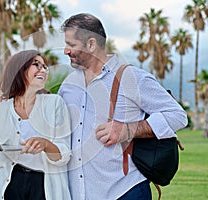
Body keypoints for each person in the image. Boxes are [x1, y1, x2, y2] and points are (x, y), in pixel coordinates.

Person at [58, 13, 188, 199]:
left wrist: (128, 129)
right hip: (79, 193)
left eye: (71, 45)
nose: (65, 51)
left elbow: (177, 115)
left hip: (125, 191)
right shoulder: (69, 84)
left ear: (91, 44)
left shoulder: (132, 77)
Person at [0, 50, 72, 200]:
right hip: (8, 185)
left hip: (44, 185)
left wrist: (46, 145)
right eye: (36, 65)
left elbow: (64, 155)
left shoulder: (55, 103)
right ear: (18, 70)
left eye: (44, 67)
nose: (43, 70)